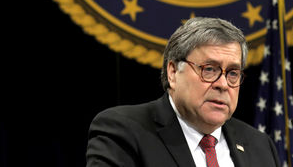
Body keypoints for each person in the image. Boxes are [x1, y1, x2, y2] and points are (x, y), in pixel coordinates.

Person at [87, 17, 280, 166]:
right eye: (209, 69)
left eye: (232, 73)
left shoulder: (260, 145)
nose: (223, 84)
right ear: (173, 72)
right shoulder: (124, 131)